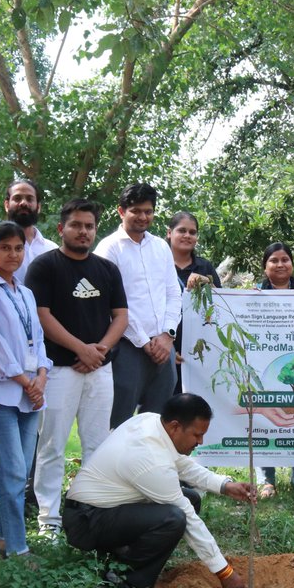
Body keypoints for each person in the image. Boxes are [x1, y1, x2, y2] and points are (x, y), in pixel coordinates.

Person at [62, 393, 256, 588]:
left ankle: (126, 557)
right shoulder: (149, 458)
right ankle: (125, 581)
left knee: (191, 499)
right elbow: (190, 521)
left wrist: (224, 486)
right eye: (197, 435)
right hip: (86, 521)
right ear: (175, 427)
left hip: (104, 509)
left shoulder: (152, 422)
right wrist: (225, 572)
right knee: (174, 518)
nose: (200, 441)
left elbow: (182, 464)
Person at [27, 199, 128, 534]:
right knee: (52, 445)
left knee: (98, 445)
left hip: (100, 369)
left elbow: (121, 316)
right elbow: (42, 316)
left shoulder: (107, 269)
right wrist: (80, 349)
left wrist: (99, 350)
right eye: (76, 225)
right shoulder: (44, 266)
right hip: (58, 370)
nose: (83, 231)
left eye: (89, 226)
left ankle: (89, 513)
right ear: (61, 228)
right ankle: (49, 521)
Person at [0, 222, 51, 559]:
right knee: (13, 472)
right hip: (0, 394)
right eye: (5, 248)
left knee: (21, 473)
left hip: (31, 395)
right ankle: (19, 550)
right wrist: (25, 381)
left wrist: (42, 376)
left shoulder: (26, 293)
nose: (13, 254)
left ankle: (2, 542)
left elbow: (39, 339)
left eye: (18, 248)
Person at [95, 183, 182, 426]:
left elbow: (173, 293)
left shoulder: (160, 246)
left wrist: (167, 335)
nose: (143, 217)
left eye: (148, 211)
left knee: (157, 422)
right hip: (127, 346)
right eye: (136, 211)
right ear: (121, 211)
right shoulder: (108, 248)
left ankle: (150, 455)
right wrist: (144, 342)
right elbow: (113, 303)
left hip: (164, 345)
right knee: (118, 420)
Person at [255, 242, 294, 501]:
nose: (280, 264)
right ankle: (267, 480)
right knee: (267, 420)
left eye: (285, 259)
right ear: (265, 267)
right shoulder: (254, 295)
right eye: (274, 260)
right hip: (266, 365)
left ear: (292, 264)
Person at [167, 211, 220, 393]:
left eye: (192, 232)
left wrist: (206, 282)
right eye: (182, 230)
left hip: (199, 351)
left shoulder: (205, 266)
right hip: (164, 349)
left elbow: (221, 304)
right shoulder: (158, 264)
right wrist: (167, 348)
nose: (187, 236)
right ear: (169, 233)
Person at [0, 178, 58, 281]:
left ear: (38, 207)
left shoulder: (52, 250)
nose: (23, 203)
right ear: (6, 205)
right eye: (17, 198)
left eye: (29, 199)